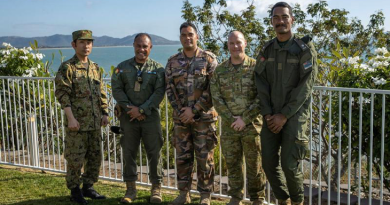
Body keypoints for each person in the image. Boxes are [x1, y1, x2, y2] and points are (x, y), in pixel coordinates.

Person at [254, 2, 318, 205]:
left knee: (289, 165)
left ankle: (298, 201)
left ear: (292, 20)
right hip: (271, 115)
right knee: (268, 162)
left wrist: (285, 115)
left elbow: (305, 86)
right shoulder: (267, 49)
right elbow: (260, 82)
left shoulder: (303, 49)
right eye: (276, 18)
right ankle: (283, 199)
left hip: (294, 116)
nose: (280, 21)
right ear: (271, 21)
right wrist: (267, 113)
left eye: (284, 17)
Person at [165, 22, 218, 205]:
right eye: (184, 35)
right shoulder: (172, 61)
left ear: (197, 36)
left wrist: (193, 110)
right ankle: (183, 194)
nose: (187, 38)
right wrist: (182, 112)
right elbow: (169, 88)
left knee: (205, 159)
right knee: (182, 158)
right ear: (180, 38)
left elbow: (213, 90)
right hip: (181, 120)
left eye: (190, 34)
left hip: (203, 120)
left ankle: (205, 195)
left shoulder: (209, 59)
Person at [210, 31, 266, 205]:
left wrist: (245, 119)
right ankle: (236, 197)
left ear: (245, 43)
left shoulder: (257, 67)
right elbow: (216, 98)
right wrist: (231, 118)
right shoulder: (220, 71)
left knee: (254, 165)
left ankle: (257, 198)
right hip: (229, 127)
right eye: (232, 43)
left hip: (252, 126)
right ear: (227, 45)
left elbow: (262, 96)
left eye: (238, 42)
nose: (235, 46)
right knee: (232, 164)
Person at [55, 30, 108, 205]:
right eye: (82, 42)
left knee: (95, 157)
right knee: (75, 158)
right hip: (76, 123)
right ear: (74, 45)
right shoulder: (68, 67)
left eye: (89, 42)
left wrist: (105, 113)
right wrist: (70, 118)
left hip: (94, 122)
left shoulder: (94, 68)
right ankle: (74, 190)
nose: (86, 46)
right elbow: (63, 94)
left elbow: (101, 93)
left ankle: (88, 187)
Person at [111, 33, 165, 204]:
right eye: (139, 45)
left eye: (145, 46)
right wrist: (131, 109)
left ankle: (156, 189)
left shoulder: (158, 69)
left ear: (150, 48)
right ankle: (130, 190)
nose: (141, 49)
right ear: (133, 45)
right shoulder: (122, 67)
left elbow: (159, 93)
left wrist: (141, 109)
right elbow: (117, 89)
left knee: (155, 153)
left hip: (150, 118)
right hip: (128, 118)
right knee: (128, 153)